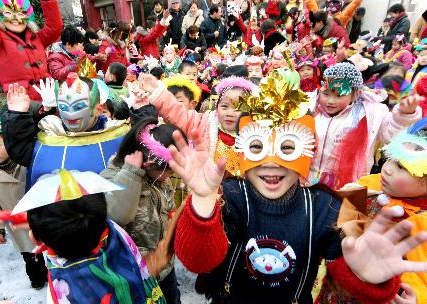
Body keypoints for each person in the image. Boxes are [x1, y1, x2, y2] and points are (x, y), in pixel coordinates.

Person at [169, 69, 427, 304]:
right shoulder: (232, 196)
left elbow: (350, 264)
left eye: (287, 148)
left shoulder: (333, 205)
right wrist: (203, 201)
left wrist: (365, 277)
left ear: (307, 152)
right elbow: (197, 261)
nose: (271, 163)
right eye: (257, 147)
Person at [16, 169, 169, 303]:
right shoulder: (112, 230)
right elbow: (79, 218)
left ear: (34, 239)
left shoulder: (65, 288)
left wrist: (42, 230)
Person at [335, 117, 427, 304]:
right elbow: (340, 230)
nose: (387, 169)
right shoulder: (366, 187)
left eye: (401, 166)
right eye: (390, 159)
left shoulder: (422, 222)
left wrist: (419, 298)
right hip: (340, 286)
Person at [101, 117, 186, 304]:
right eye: (170, 172)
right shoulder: (114, 175)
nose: (170, 176)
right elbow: (117, 216)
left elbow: (168, 208)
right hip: (134, 272)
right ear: (149, 164)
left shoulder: (159, 179)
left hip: (163, 266)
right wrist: (131, 173)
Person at [2, 73, 128, 190]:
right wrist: (17, 115)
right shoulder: (49, 135)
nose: (70, 113)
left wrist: (142, 110)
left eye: (78, 106)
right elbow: (20, 151)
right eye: (63, 106)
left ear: (98, 109)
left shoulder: (118, 136)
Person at [308, 63, 422, 190]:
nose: (330, 101)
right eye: (326, 94)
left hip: (347, 185)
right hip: (307, 179)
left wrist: (404, 115)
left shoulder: (370, 115)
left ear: (355, 94)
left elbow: (391, 134)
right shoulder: (310, 110)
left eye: (339, 95)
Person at [0, 106, 48, 289]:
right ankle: (37, 278)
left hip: (42, 216)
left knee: (51, 247)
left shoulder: (26, 162)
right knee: (31, 256)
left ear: (9, 142)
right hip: (20, 226)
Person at [134, 73, 256, 178]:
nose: (230, 113)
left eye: (237, 108)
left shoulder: (257, 133)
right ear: (216, 107)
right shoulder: (204, 123)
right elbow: (179, 114)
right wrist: (158, 92)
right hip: (207, 191)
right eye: (224, 106)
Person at [0, 0, 63, 100]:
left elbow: (55, 27)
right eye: (8, 13)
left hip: (49, 97)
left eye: (21, 13)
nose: (15, 19)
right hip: (20, 105)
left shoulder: (37, 38)